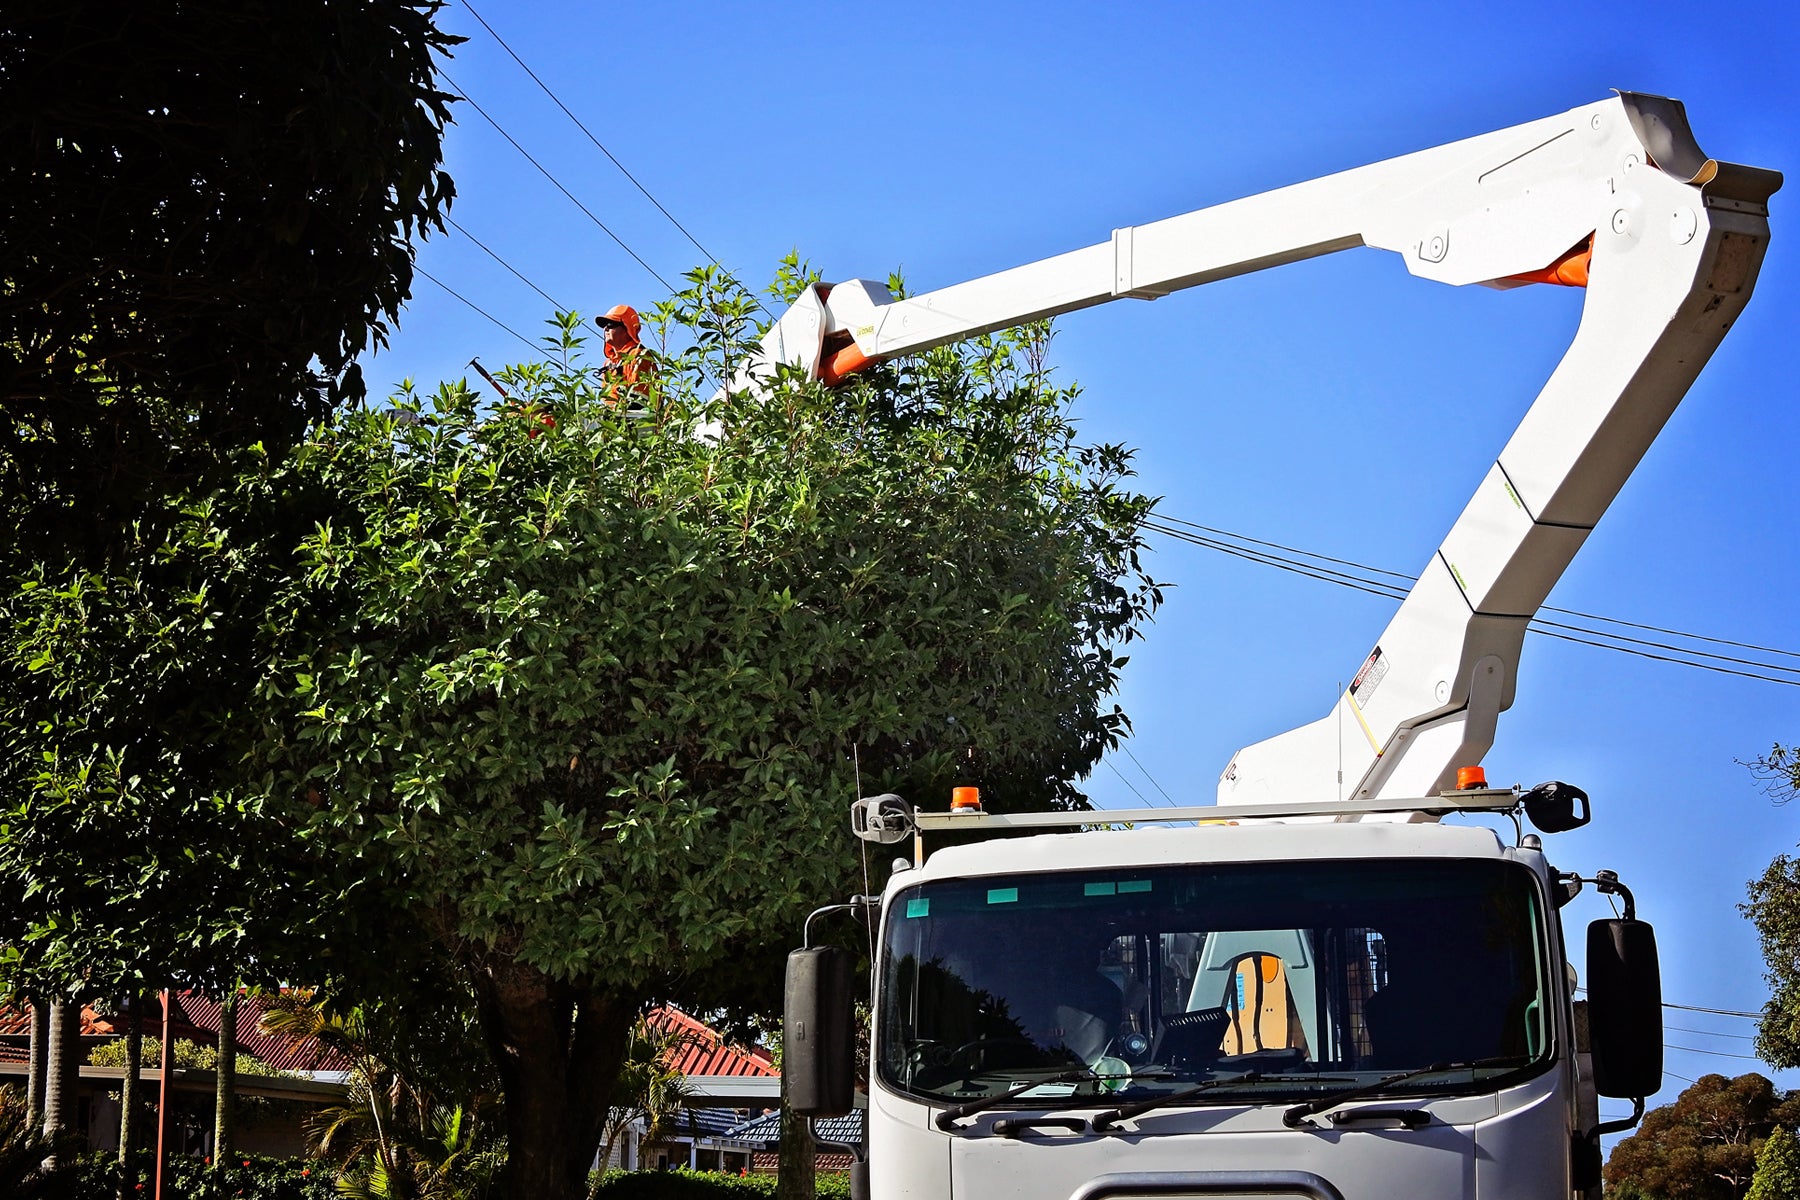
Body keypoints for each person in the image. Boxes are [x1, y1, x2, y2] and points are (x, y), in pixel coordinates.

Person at [595, 304, 656, 404]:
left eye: (610, 324)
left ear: (626, 329)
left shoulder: (638, 356)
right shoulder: (609, 363)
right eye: (604, 325)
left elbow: (638, 402)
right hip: (616, 416)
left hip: (639, 417)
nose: (605, 329)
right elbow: (607, 400)